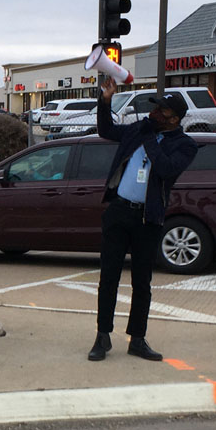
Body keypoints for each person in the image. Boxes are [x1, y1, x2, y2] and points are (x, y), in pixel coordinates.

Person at [89, 80, 198, 363]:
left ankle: (137, 339)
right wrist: (105, 101)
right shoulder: (139, 129)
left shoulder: (185, 145)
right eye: (155, 109)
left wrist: (150, 137)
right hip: (119, 211)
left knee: (142, 282)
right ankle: (102, 336)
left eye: (161, 112)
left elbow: (164, 168)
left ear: (173, 119)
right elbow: (107, 130)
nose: (154, 114)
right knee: (108, 277)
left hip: (147, 218)